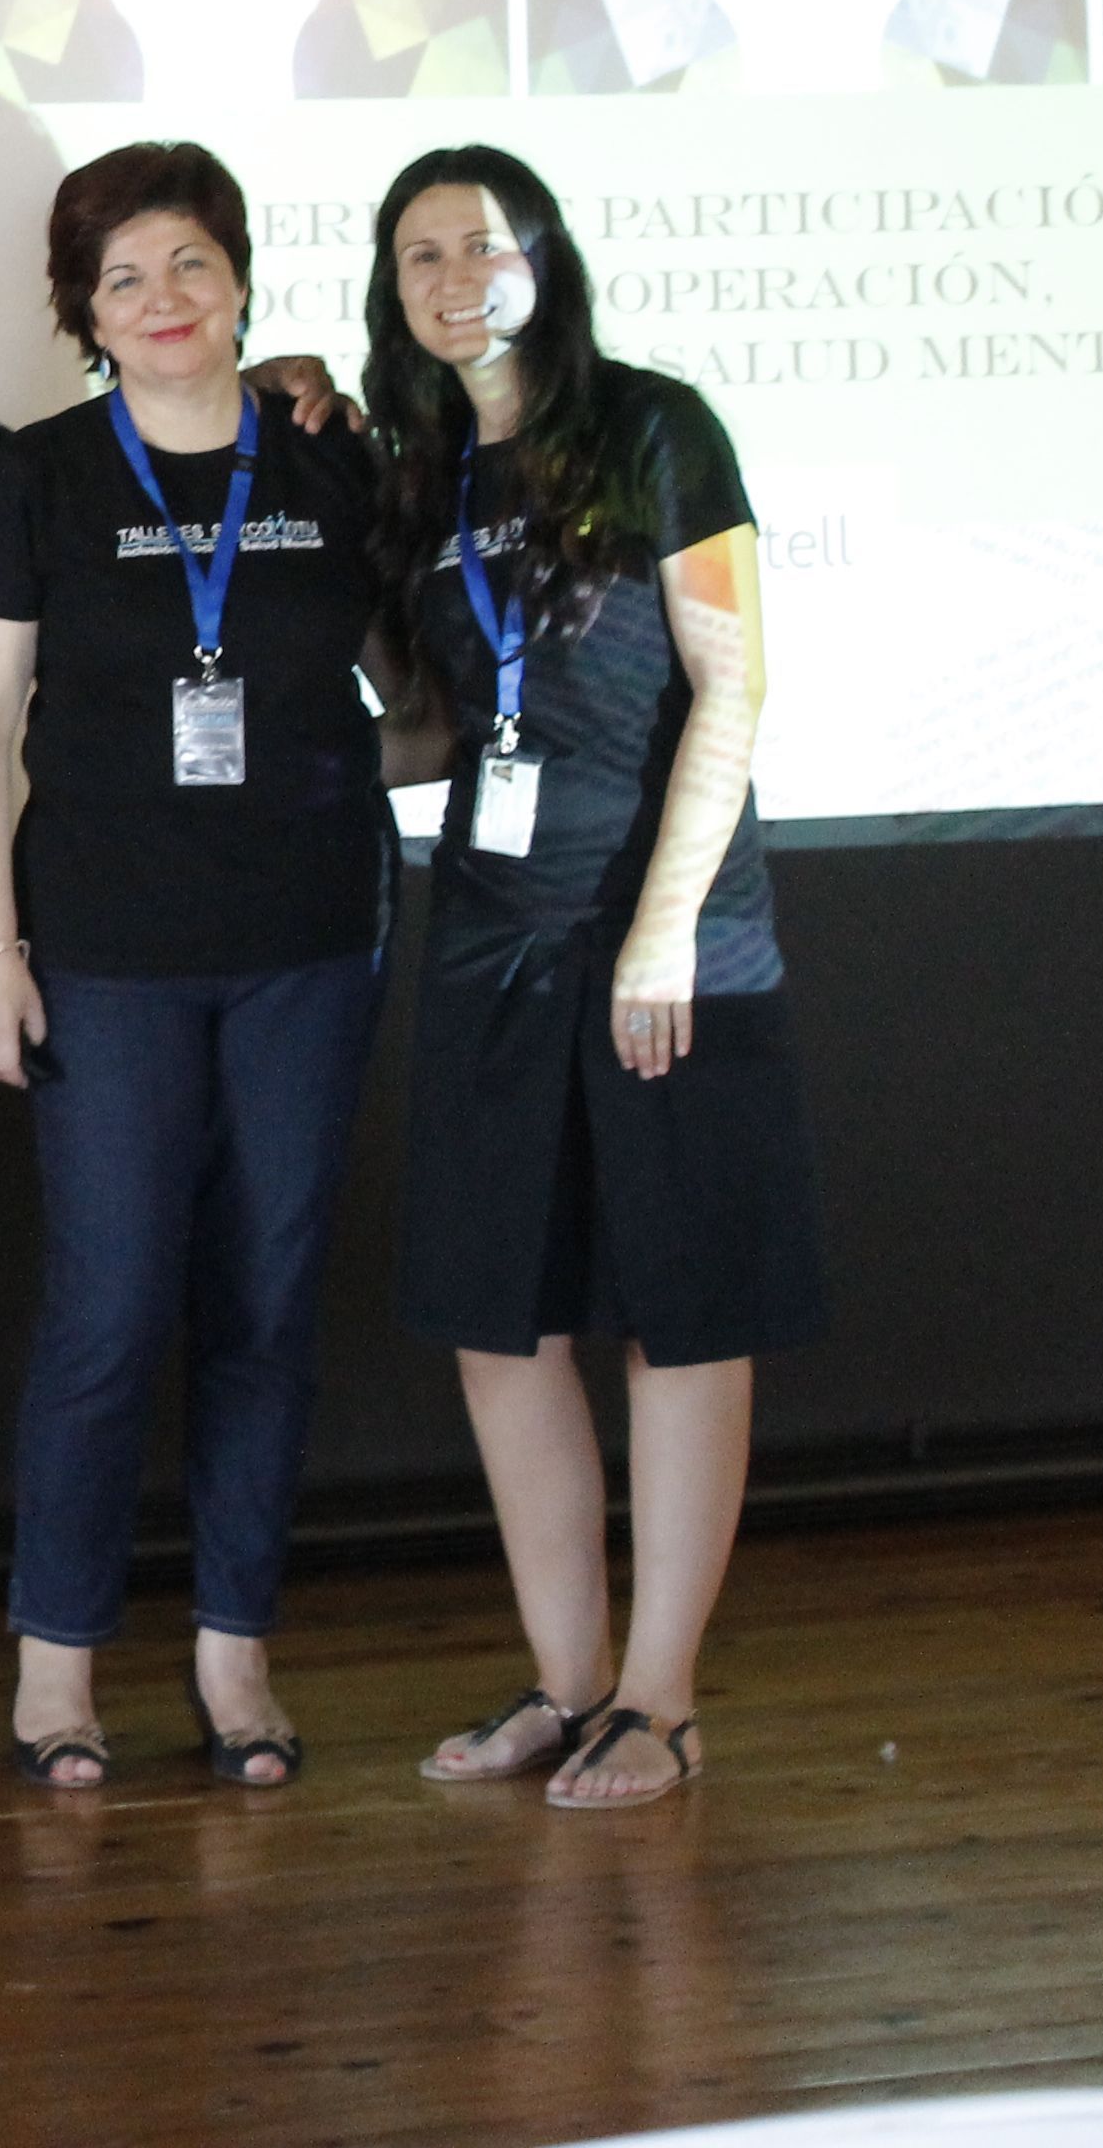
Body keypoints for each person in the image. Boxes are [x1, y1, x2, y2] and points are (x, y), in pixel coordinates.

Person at [0, 141, 407, 1794]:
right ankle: (56, 1673)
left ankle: (234, 1657)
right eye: (125, 277)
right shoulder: (43, 478)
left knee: (267, 1303)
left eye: (191, 265)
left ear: (242, 279)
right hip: (107, 957)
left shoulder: (329, 460)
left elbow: (408, 694)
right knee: (109, 1311)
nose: (163, 301)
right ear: (85, 311)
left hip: (305, 947)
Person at [366, 144, 823, 1812]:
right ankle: (567, 1687)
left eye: (481, 242)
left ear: (545, 261)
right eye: (418, 252)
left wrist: (663, 929)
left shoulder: (653, 425)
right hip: (488, 940)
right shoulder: (421, 478)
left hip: (670, 946)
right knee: (503, 1324)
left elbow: (734, 683)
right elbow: (436, 724)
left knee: (678, 1324)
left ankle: (664, 1696)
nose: (451, 272)